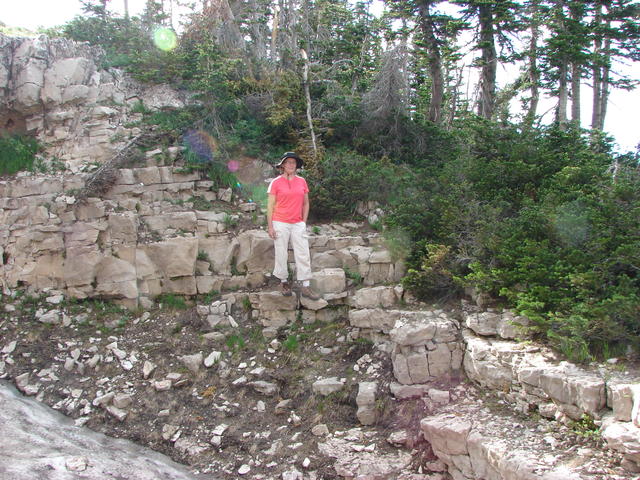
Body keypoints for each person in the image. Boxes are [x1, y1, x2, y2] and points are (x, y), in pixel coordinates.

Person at [267, 152, 321, 300]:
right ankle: (283, 282)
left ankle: (305, 285)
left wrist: (303, 221)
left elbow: (306, 203)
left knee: (303, 252)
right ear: (283, 165)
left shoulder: (302, 181)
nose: (291, 165)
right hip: (280, 221)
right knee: (281, 252)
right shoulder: (276, 182)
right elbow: (270, 206)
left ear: (296, 165)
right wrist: (270, 226)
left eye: (293, 162)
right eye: (288, 162)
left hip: (297, 222)